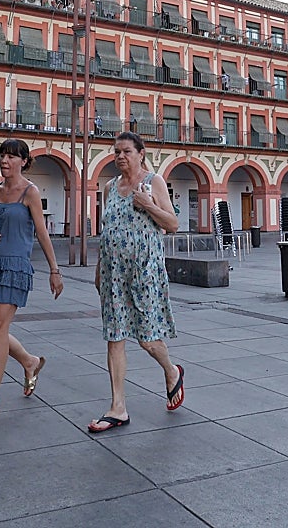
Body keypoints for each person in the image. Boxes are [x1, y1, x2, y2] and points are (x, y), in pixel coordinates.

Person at [88, 131, 183, 433]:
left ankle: (171, 371)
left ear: (141, 153)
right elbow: (107, 229)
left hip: (145, 272)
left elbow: (172, 224)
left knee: (148, 339)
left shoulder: (154, 182)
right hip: (113, 274)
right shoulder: (109, 187)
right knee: (114, 337)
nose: (120, 156)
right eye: (116, 151)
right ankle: (118, 407)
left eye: (126, 151)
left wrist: (148, 205)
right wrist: (100, 268)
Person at [0, 139, 63, 423]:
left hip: (15, 268)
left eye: (11, 156)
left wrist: (54, 270)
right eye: (3, 155)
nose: (5, 161)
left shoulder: (30, 192)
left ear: (24, 161)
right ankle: (30, 361)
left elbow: (41, 233)